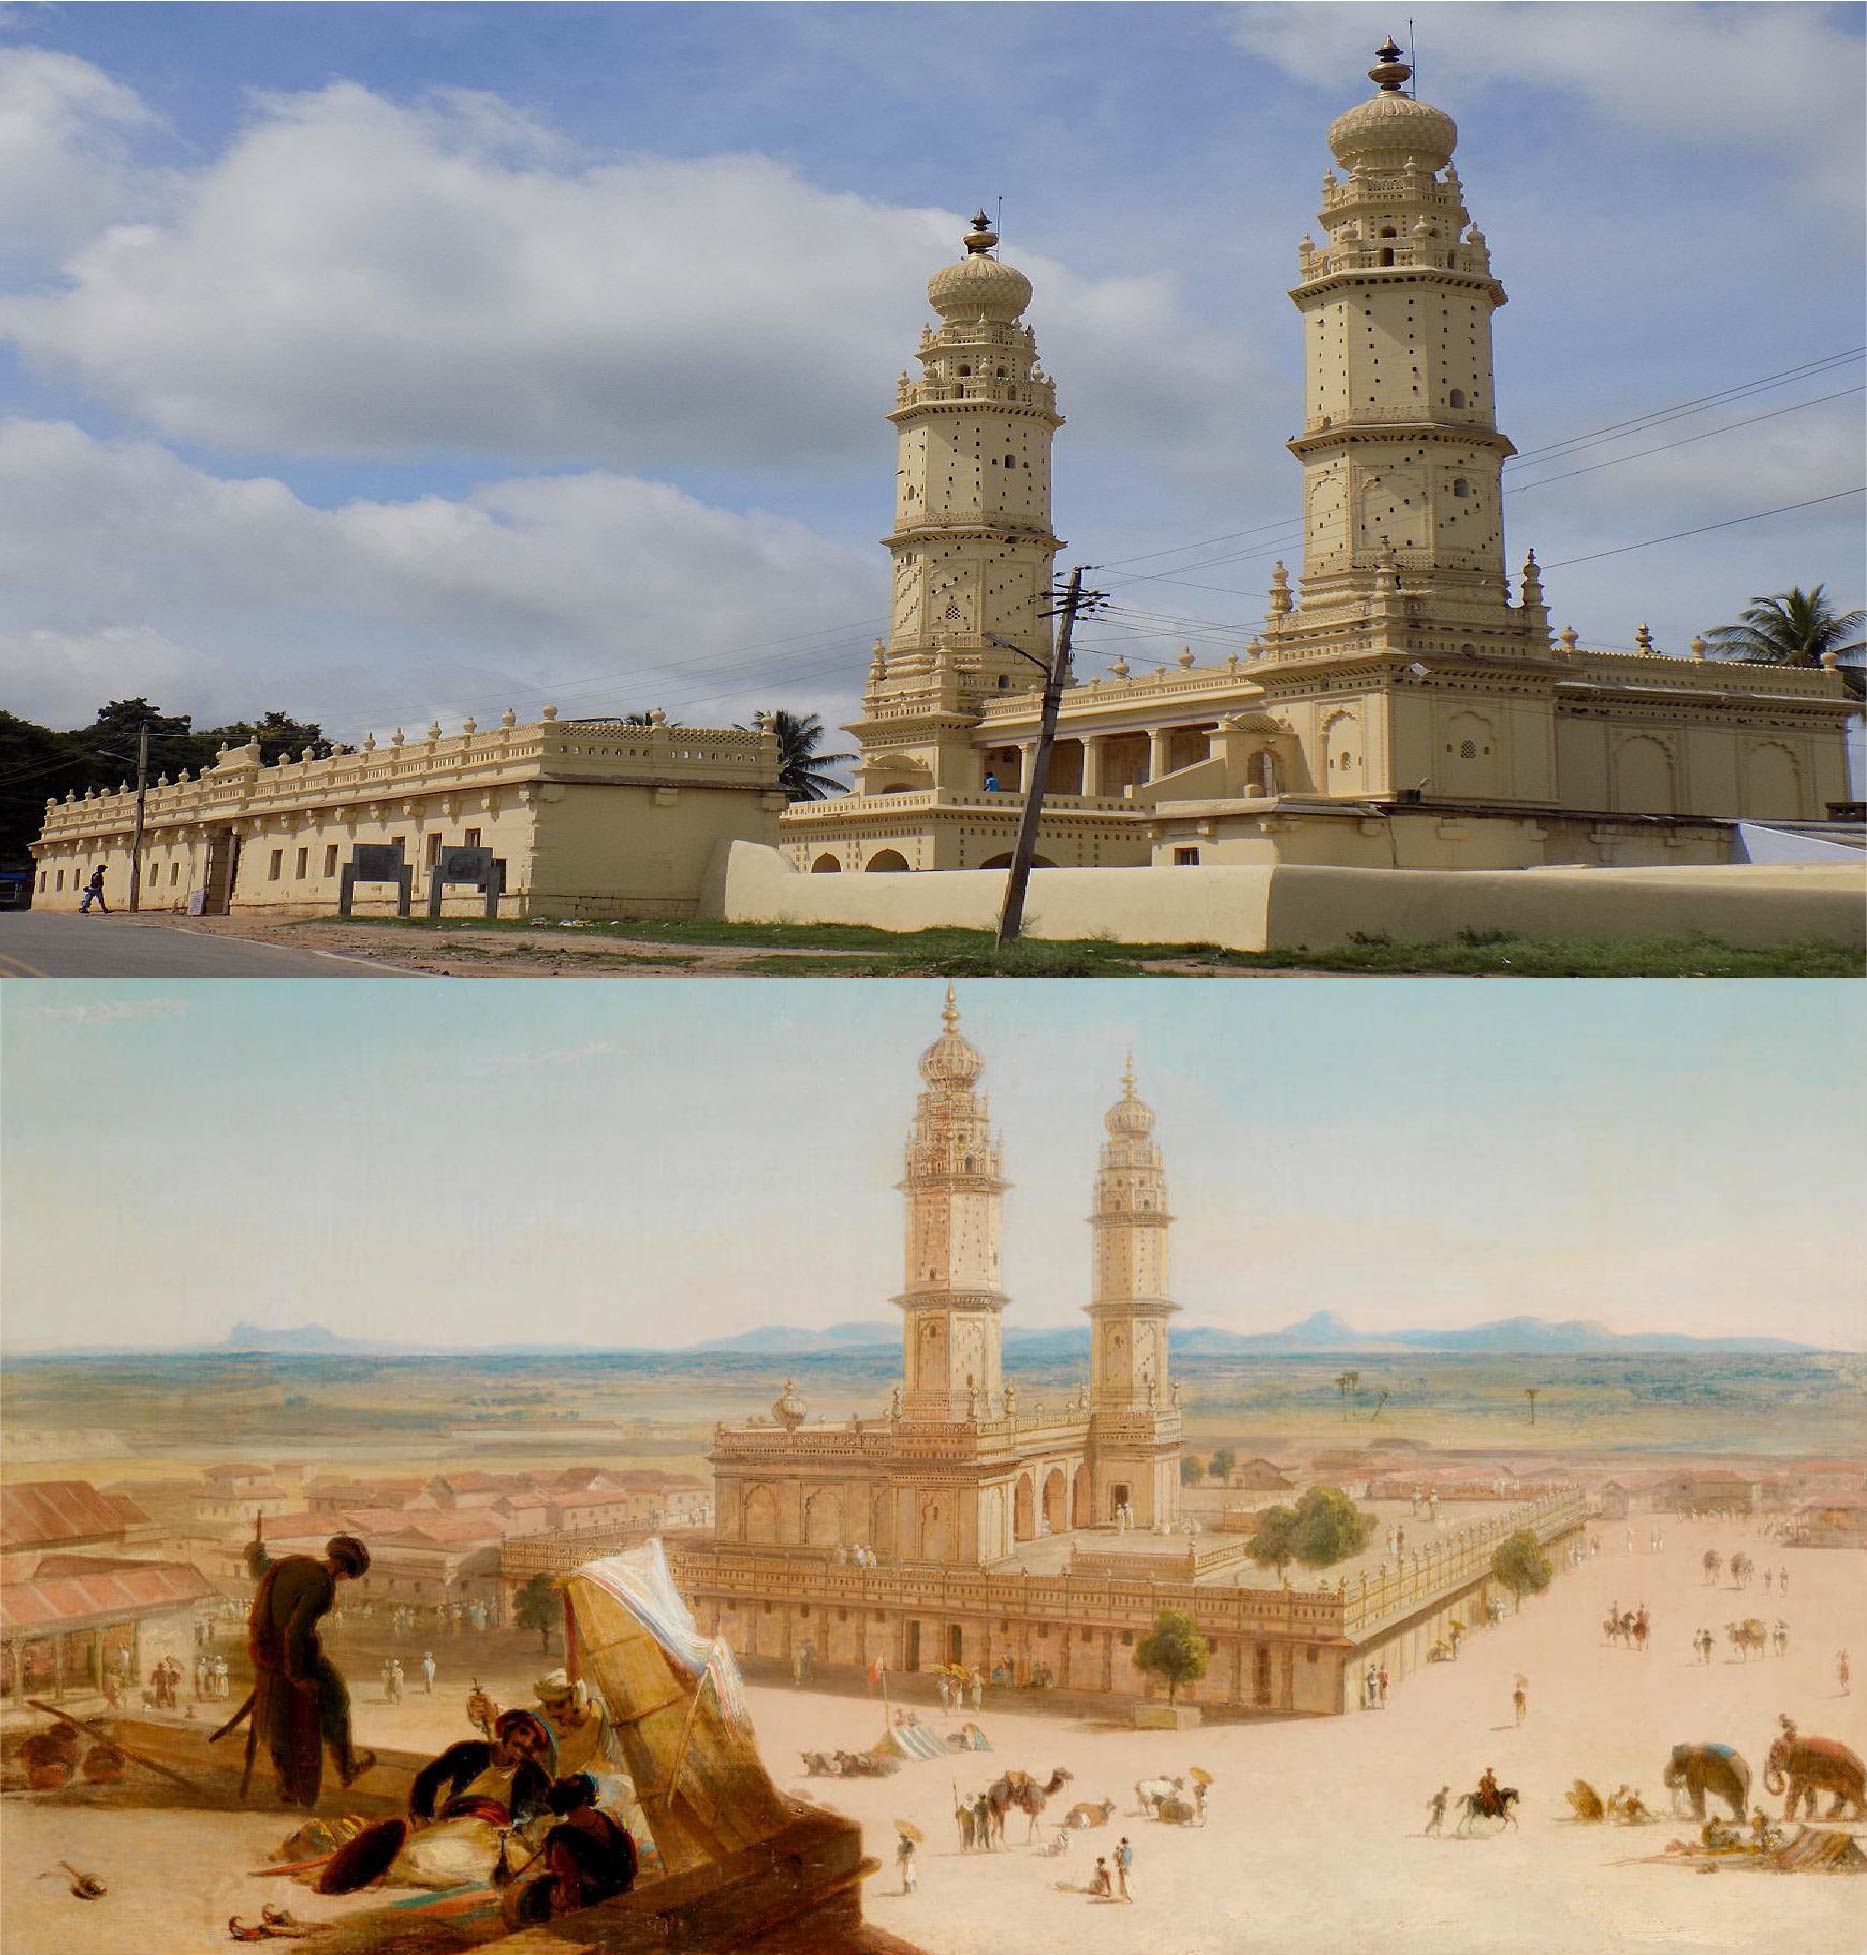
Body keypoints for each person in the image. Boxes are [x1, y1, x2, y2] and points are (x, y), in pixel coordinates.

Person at [242, 1533, 374, 1807]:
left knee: (278, 1720)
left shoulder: (292, 1564)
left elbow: (261, 1569)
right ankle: (346, 1769)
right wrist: (297, 1674)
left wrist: (255, 1553)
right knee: (338, 1697)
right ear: (344, 1568)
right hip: (291, 1657)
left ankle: (286, 1786)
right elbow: (297, 1630)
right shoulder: (323, 1587)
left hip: (264, 1653)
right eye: (348, 1575)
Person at [1114, 1835, 1134, 1903]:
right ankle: (1127, 1897)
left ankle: (1128, 1897)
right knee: (1125, 1882)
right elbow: (1119, 1860)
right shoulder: (1127, 1850)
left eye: (1125, 1843)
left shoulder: (1124, 1850)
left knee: (1126, 1882)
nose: (1124, 1844)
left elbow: (1124, 1860)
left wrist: (1119, 1853)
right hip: (1125, 1868)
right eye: (1124, 1843)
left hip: (1124, 1868)